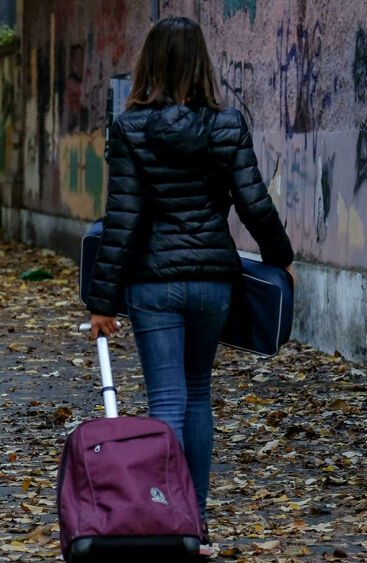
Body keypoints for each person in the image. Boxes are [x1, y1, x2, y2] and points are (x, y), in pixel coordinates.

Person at [85, 17, 297, 551]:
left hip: (152, 285)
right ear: (202, 62)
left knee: (167, 400)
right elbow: (254, 203)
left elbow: (122, 219)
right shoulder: (227, 124)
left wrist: (102, 302)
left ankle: (170, 525)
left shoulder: (130, 128)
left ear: (148, 63)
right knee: (197, 393)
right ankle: (196, 525)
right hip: (211, 284)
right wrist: (281, 261)